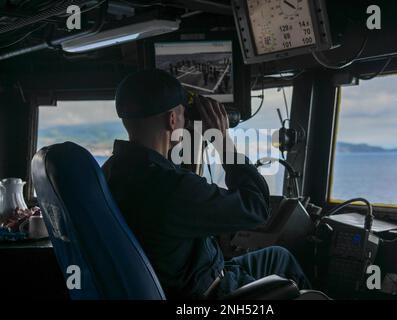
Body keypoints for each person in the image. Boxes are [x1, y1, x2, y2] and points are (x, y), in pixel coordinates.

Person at [102, 68, 309, 299]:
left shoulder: (111, 172)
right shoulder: (171, 188)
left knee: (278, 256)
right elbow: (257, 207)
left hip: (184, 277)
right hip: (212, 294)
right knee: (292, 284)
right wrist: (222, 141)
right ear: (172, 119)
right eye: (182, 114)